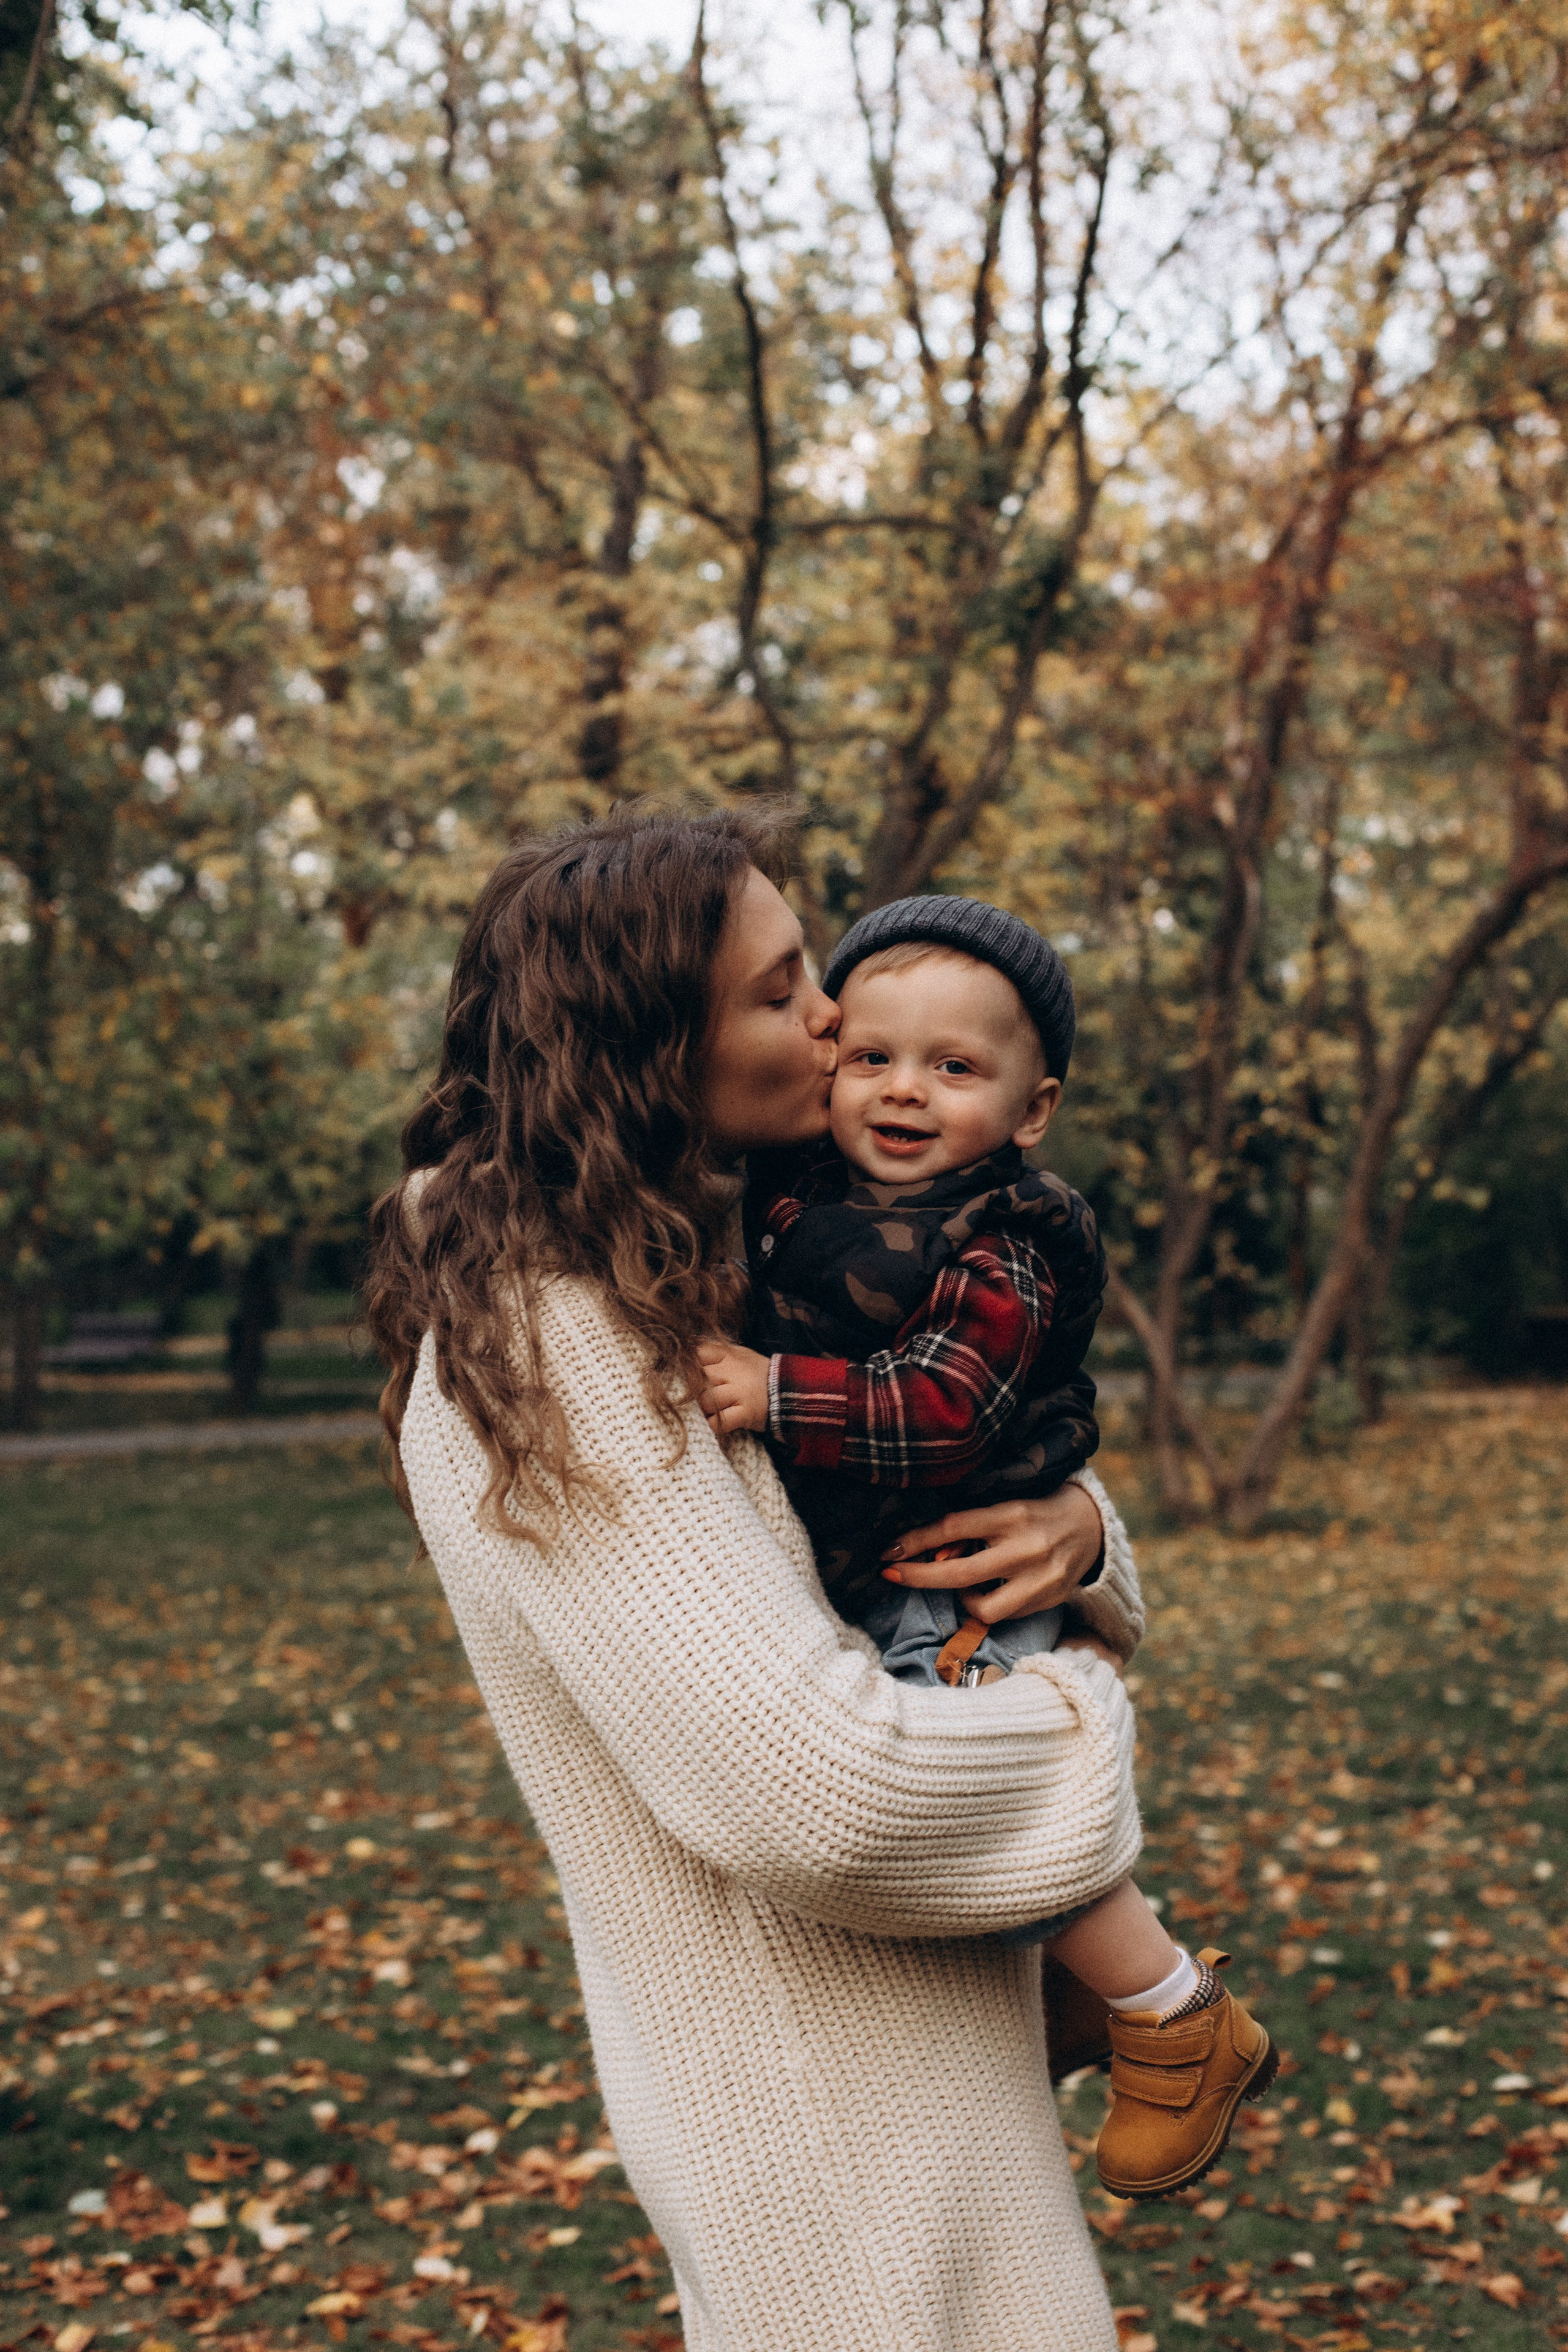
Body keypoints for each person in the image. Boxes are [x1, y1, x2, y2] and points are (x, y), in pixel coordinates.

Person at [368, 807, 1143, 2352]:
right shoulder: (549, 1333)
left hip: (907, 2066)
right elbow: (820, 1790)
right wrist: (1080, 1711)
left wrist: (1077, 1527)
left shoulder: (695, 1255)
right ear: (652, 1046)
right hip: (820, 2123)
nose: (836, 1017)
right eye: (783, 990)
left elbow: (899, 1459)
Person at [696, 895, 1277, 2200]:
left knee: (984, 1797)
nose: (904, 1090)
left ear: (1031, 1108)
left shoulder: (1004, 1235)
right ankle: (1084, 1990)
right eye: (872, 1056)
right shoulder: (801, 1187)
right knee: (964, 1796)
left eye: (953, 1068)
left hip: (960, 1576)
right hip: (886, 1567)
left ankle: (1177, 2014)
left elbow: (942, 1406)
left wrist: (776, 1391)